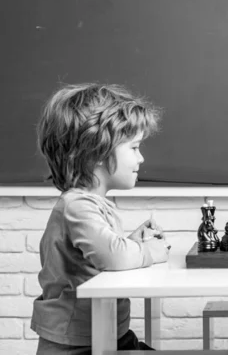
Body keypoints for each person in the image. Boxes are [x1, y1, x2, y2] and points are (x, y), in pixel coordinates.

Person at [31, 83, 170, 354]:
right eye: (134, 148)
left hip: (107, 334)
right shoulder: (77, 205)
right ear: (97, 152)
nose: (141, 158)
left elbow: (96, 260)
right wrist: (150, 251)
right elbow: (114, 258)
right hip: (78, 344)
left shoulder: (91, 203)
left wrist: (129, 242)